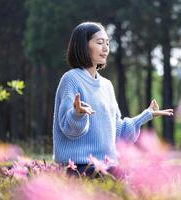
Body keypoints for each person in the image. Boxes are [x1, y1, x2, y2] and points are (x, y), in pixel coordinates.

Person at [52, 22, 173, 179]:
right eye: (99, 42)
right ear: (83, 45)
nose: (105, 48)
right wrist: (77, 114)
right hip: (81, 167)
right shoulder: (71, 79)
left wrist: (145, 116)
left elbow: (117, 132)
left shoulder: (106, 85)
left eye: (107, 43)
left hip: (108, 165)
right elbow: (68, 129)